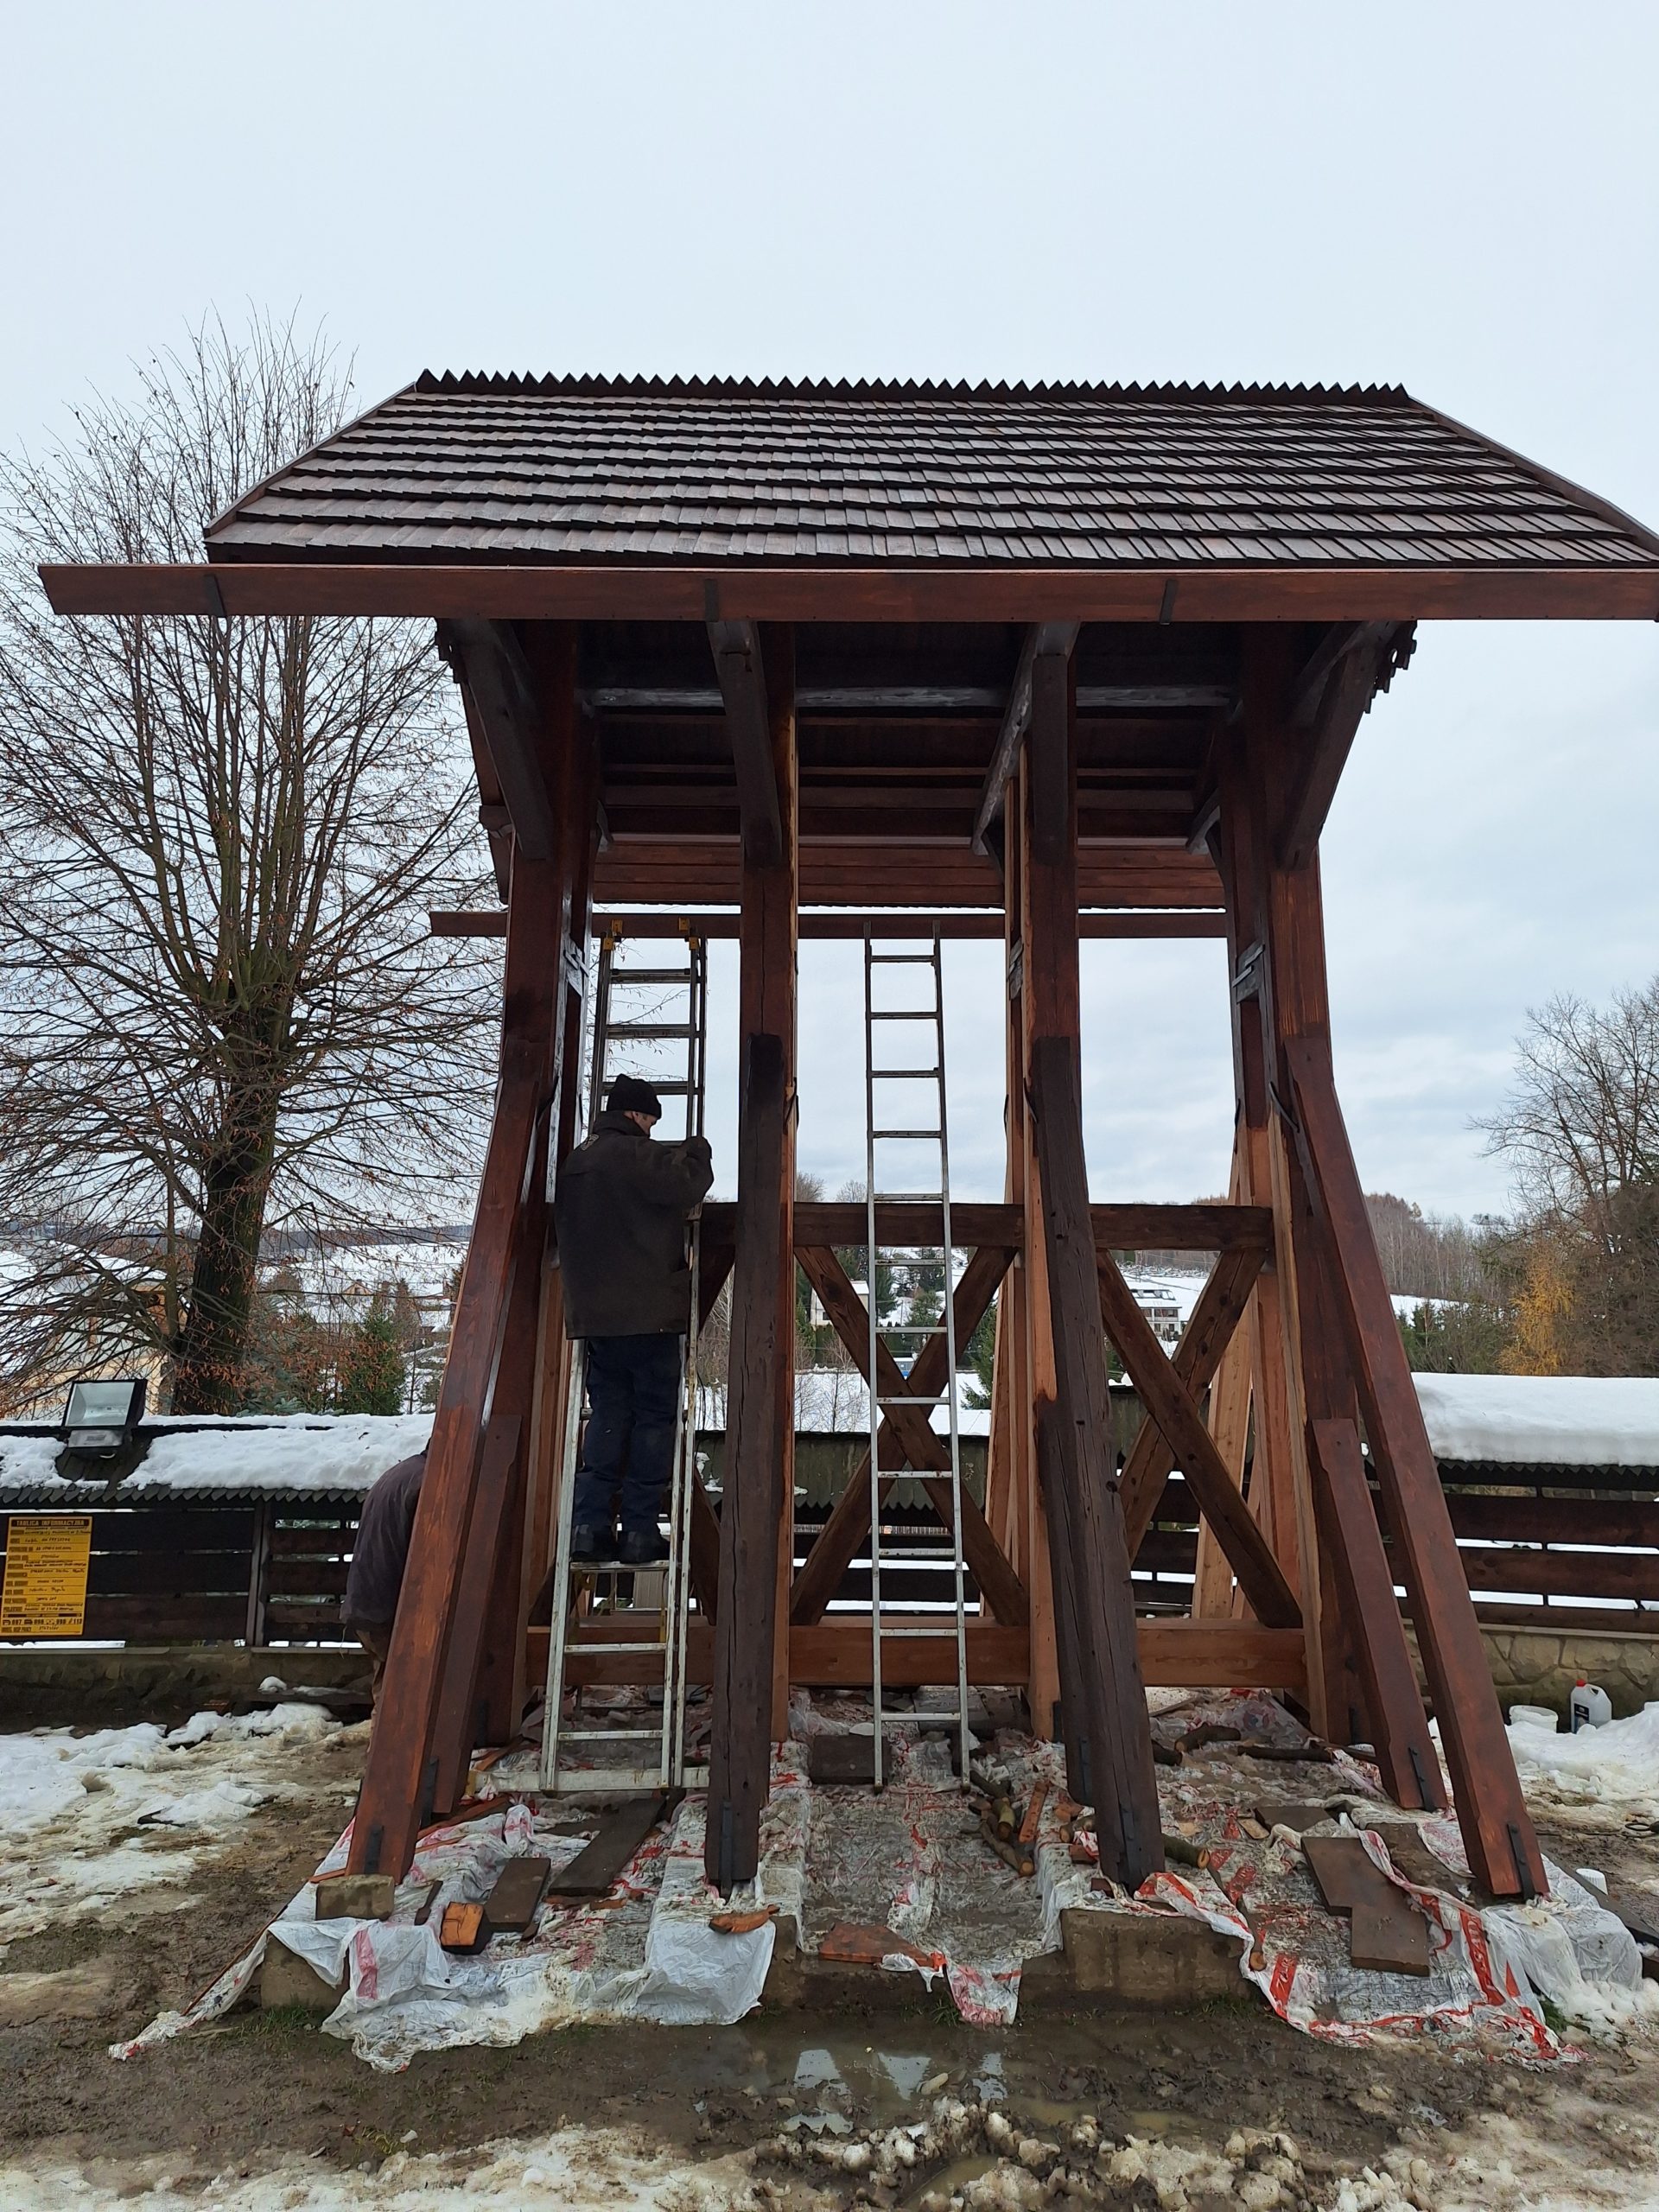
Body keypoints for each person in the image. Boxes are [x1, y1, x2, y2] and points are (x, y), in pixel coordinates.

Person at [554, 1072, 714, 1565]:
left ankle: (588, 1526)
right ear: (636, 1115)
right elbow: (690, 1184)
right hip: (649, 1317)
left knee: (607, 1416)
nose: (650, 1129)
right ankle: (640, 1531)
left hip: (595, 1320)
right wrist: (697, 1150)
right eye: (650, 1121)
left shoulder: (576, 1161)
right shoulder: (639, 1156)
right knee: (652, 1420)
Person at [342, 1448, 426, 1700]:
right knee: (405, 1700)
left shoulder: (398, 1474)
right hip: (388, 1613)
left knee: (388, 1694)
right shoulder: (427, 1482)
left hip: (366, 1606)